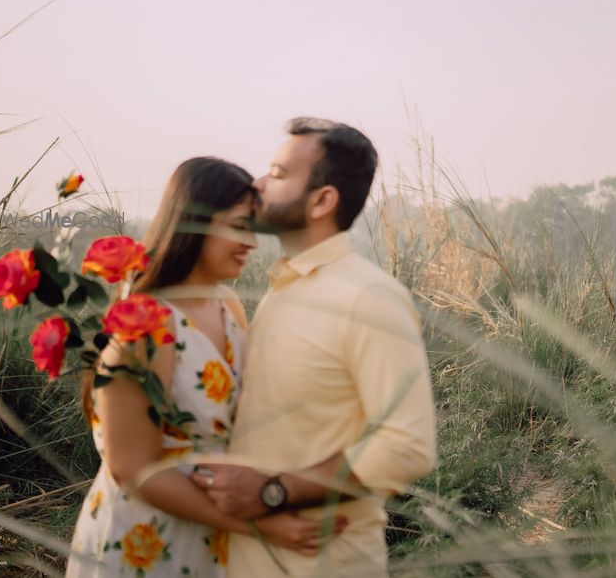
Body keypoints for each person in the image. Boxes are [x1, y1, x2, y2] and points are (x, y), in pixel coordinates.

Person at [67, 157, 344, 578]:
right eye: (238, 225)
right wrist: (265, 527)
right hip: (149, 540)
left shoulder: (227, 305)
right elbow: (134, 469)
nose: (251, 242)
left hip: (215, 534)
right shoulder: (147, 325)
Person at [190, 119, 438, 577]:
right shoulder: (284, 288)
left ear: (323, 200)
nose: (256, 184)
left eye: (278, 174)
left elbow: (407, 447)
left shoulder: (367, 297)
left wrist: (273, 491)